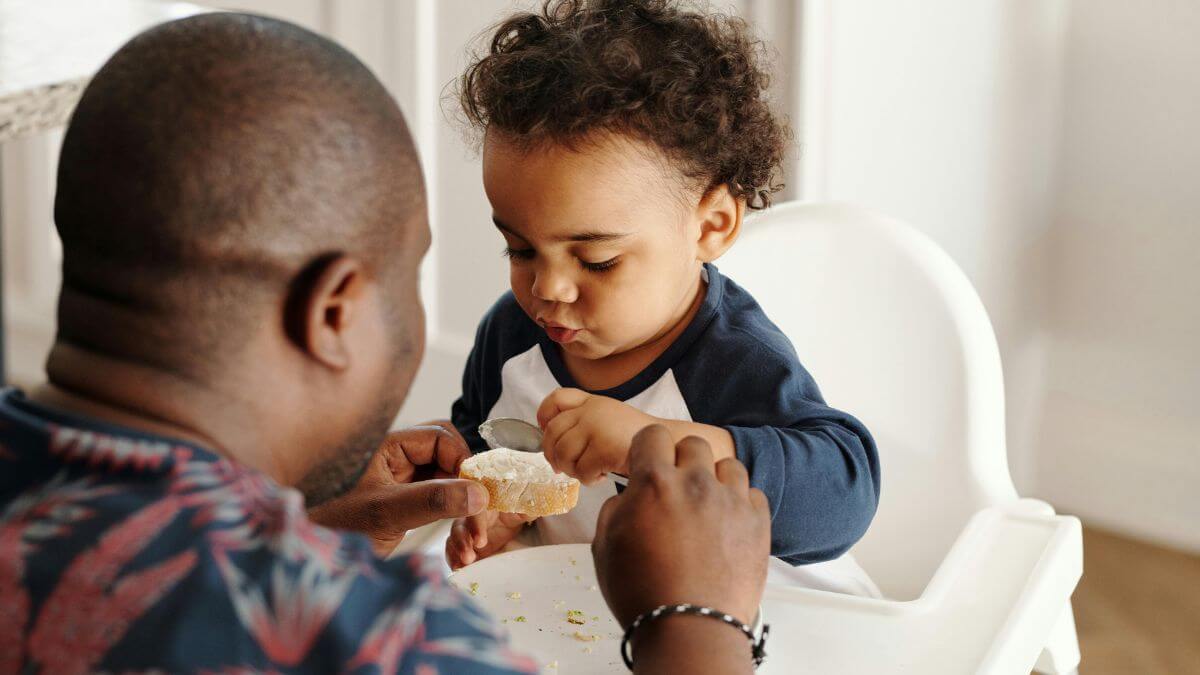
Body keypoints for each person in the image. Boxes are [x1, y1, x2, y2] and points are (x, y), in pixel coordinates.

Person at [0, 12, 770, 674]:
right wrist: (693, 623)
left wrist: (302, 531)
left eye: (594, 258)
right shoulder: (384, 642)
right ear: (334, 311)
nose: (541, 292)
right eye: (411, 274)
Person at [444, 0, 882, 595]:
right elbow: (483, 435)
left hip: (753, 625)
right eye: (520, 250)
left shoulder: (732, 358)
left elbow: (844, 494)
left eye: (597, 260)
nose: (546, 289)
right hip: (583, 619)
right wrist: (495, 512)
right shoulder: (513, 334)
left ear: (710, 227)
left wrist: (656, 444)